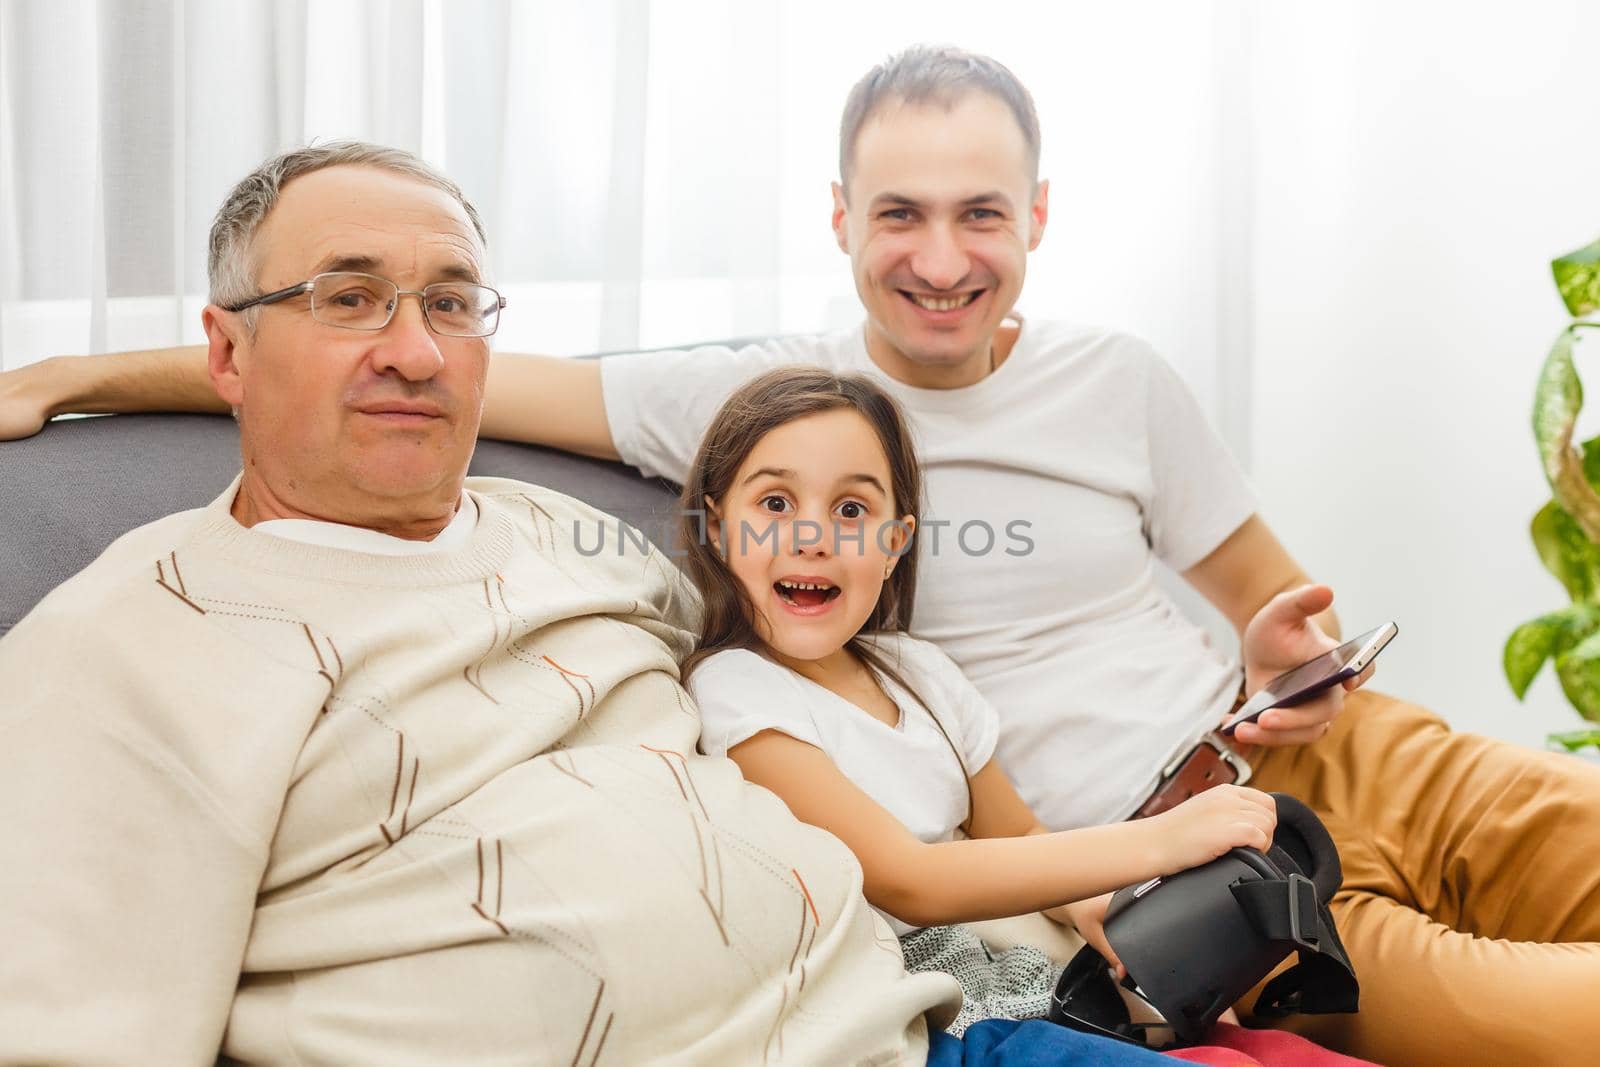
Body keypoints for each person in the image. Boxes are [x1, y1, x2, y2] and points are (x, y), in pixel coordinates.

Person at [4, 46, 1599, 1064]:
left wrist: (1281, 665)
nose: (942, 256)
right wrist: (72, 377)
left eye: (983, 213)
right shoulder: (741, 404)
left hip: (1320, 762)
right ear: (836, 217)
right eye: (901, 212)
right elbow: (408, 363)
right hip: (1161, 863)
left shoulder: (1114, 379)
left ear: (1040, 216)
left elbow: (1267, 591)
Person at [1, 141, 1196, 1067]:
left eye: (453, 303)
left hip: (916, 1031)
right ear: (225, 356)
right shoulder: (128, 645)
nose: (415, 351)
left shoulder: (569, 537)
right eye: (349, 298)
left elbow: (813, 665)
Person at [674, 364, 1279, 1038]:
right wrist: (1158, 842)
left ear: (894, 542)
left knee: (1267, 1049)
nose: (814, 536)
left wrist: (1104, 914)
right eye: (776, 504)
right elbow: (910, 879)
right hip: (927, 1008)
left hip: (1025, 971)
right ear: (718, 526)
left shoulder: (919, 670)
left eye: (851, 510)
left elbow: (1017, 833)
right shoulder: (737, 688)